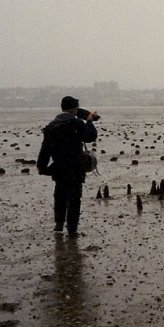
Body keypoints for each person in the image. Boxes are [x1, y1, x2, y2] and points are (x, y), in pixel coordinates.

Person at [37, 96, 98, 236]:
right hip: (75, 167)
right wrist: (89, 122)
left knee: (59, 195)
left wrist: (41, 167)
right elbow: (90, 137)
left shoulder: (51, 126)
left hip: (58, 166)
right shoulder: (76, 123)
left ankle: (59, 224)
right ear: (74, 109)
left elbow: (45, 149)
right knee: (74, 199)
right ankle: (72, 229)